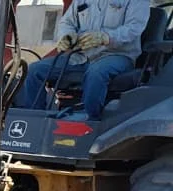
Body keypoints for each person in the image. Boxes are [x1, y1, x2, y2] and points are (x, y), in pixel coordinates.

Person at [15, 0, 151, 120]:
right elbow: (67, 22)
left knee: (96, 73)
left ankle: (89, 119)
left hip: (117, 55)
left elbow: (134, 28)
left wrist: (106, 37)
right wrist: (66, 36)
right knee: (35, 70)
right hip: (80, 57)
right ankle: (33, 120)